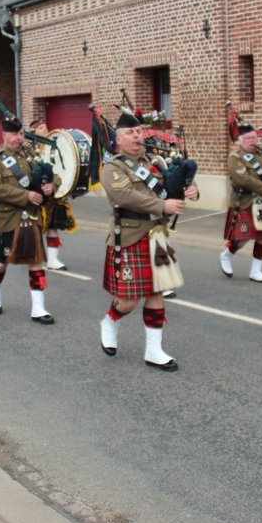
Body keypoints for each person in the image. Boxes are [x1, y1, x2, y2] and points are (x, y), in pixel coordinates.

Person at [98, 110, 200, 371]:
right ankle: (110, 320)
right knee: (129, 300)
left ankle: (154, 350)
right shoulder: (113, 167)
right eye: (130, 133)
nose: (137, 136)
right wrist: (163, 205)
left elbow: (173, 185)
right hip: (130, 235)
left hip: (156, 235)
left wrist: (191, 187)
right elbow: (125, 196)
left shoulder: (156, 161)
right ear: (118, 140)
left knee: (156, 292)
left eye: (139, 131)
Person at [0, 114, 59, 324]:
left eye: (21, 133)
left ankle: (38, 308)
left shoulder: (31, 155)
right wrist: (26, 196)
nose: (19, 138)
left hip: (31, 217)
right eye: (15, 134)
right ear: (4, 135)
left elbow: (53, 175)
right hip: (8, 219)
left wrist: (52, 186)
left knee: (36, 262)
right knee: (0, 263)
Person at [220, 124, 262, 283]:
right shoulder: (235, 157)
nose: (252, 141)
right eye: (248, 138)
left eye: (254, 138)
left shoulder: (261, 155)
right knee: (242, 238)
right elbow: (243, 180)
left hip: (260, 202)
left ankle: (256, 271)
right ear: (240, 140)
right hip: (243, 202)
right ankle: (227, 255)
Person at [28, 120, 71, 270]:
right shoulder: (29, 149)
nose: (45, 129)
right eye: (41, 128)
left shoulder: (54, 145)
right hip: (36, 194)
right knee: (33, 228)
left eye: (45, 126)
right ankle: (30, 255)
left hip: (54, 192)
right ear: (33, 132)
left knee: (53, 226)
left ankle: (53, 260)